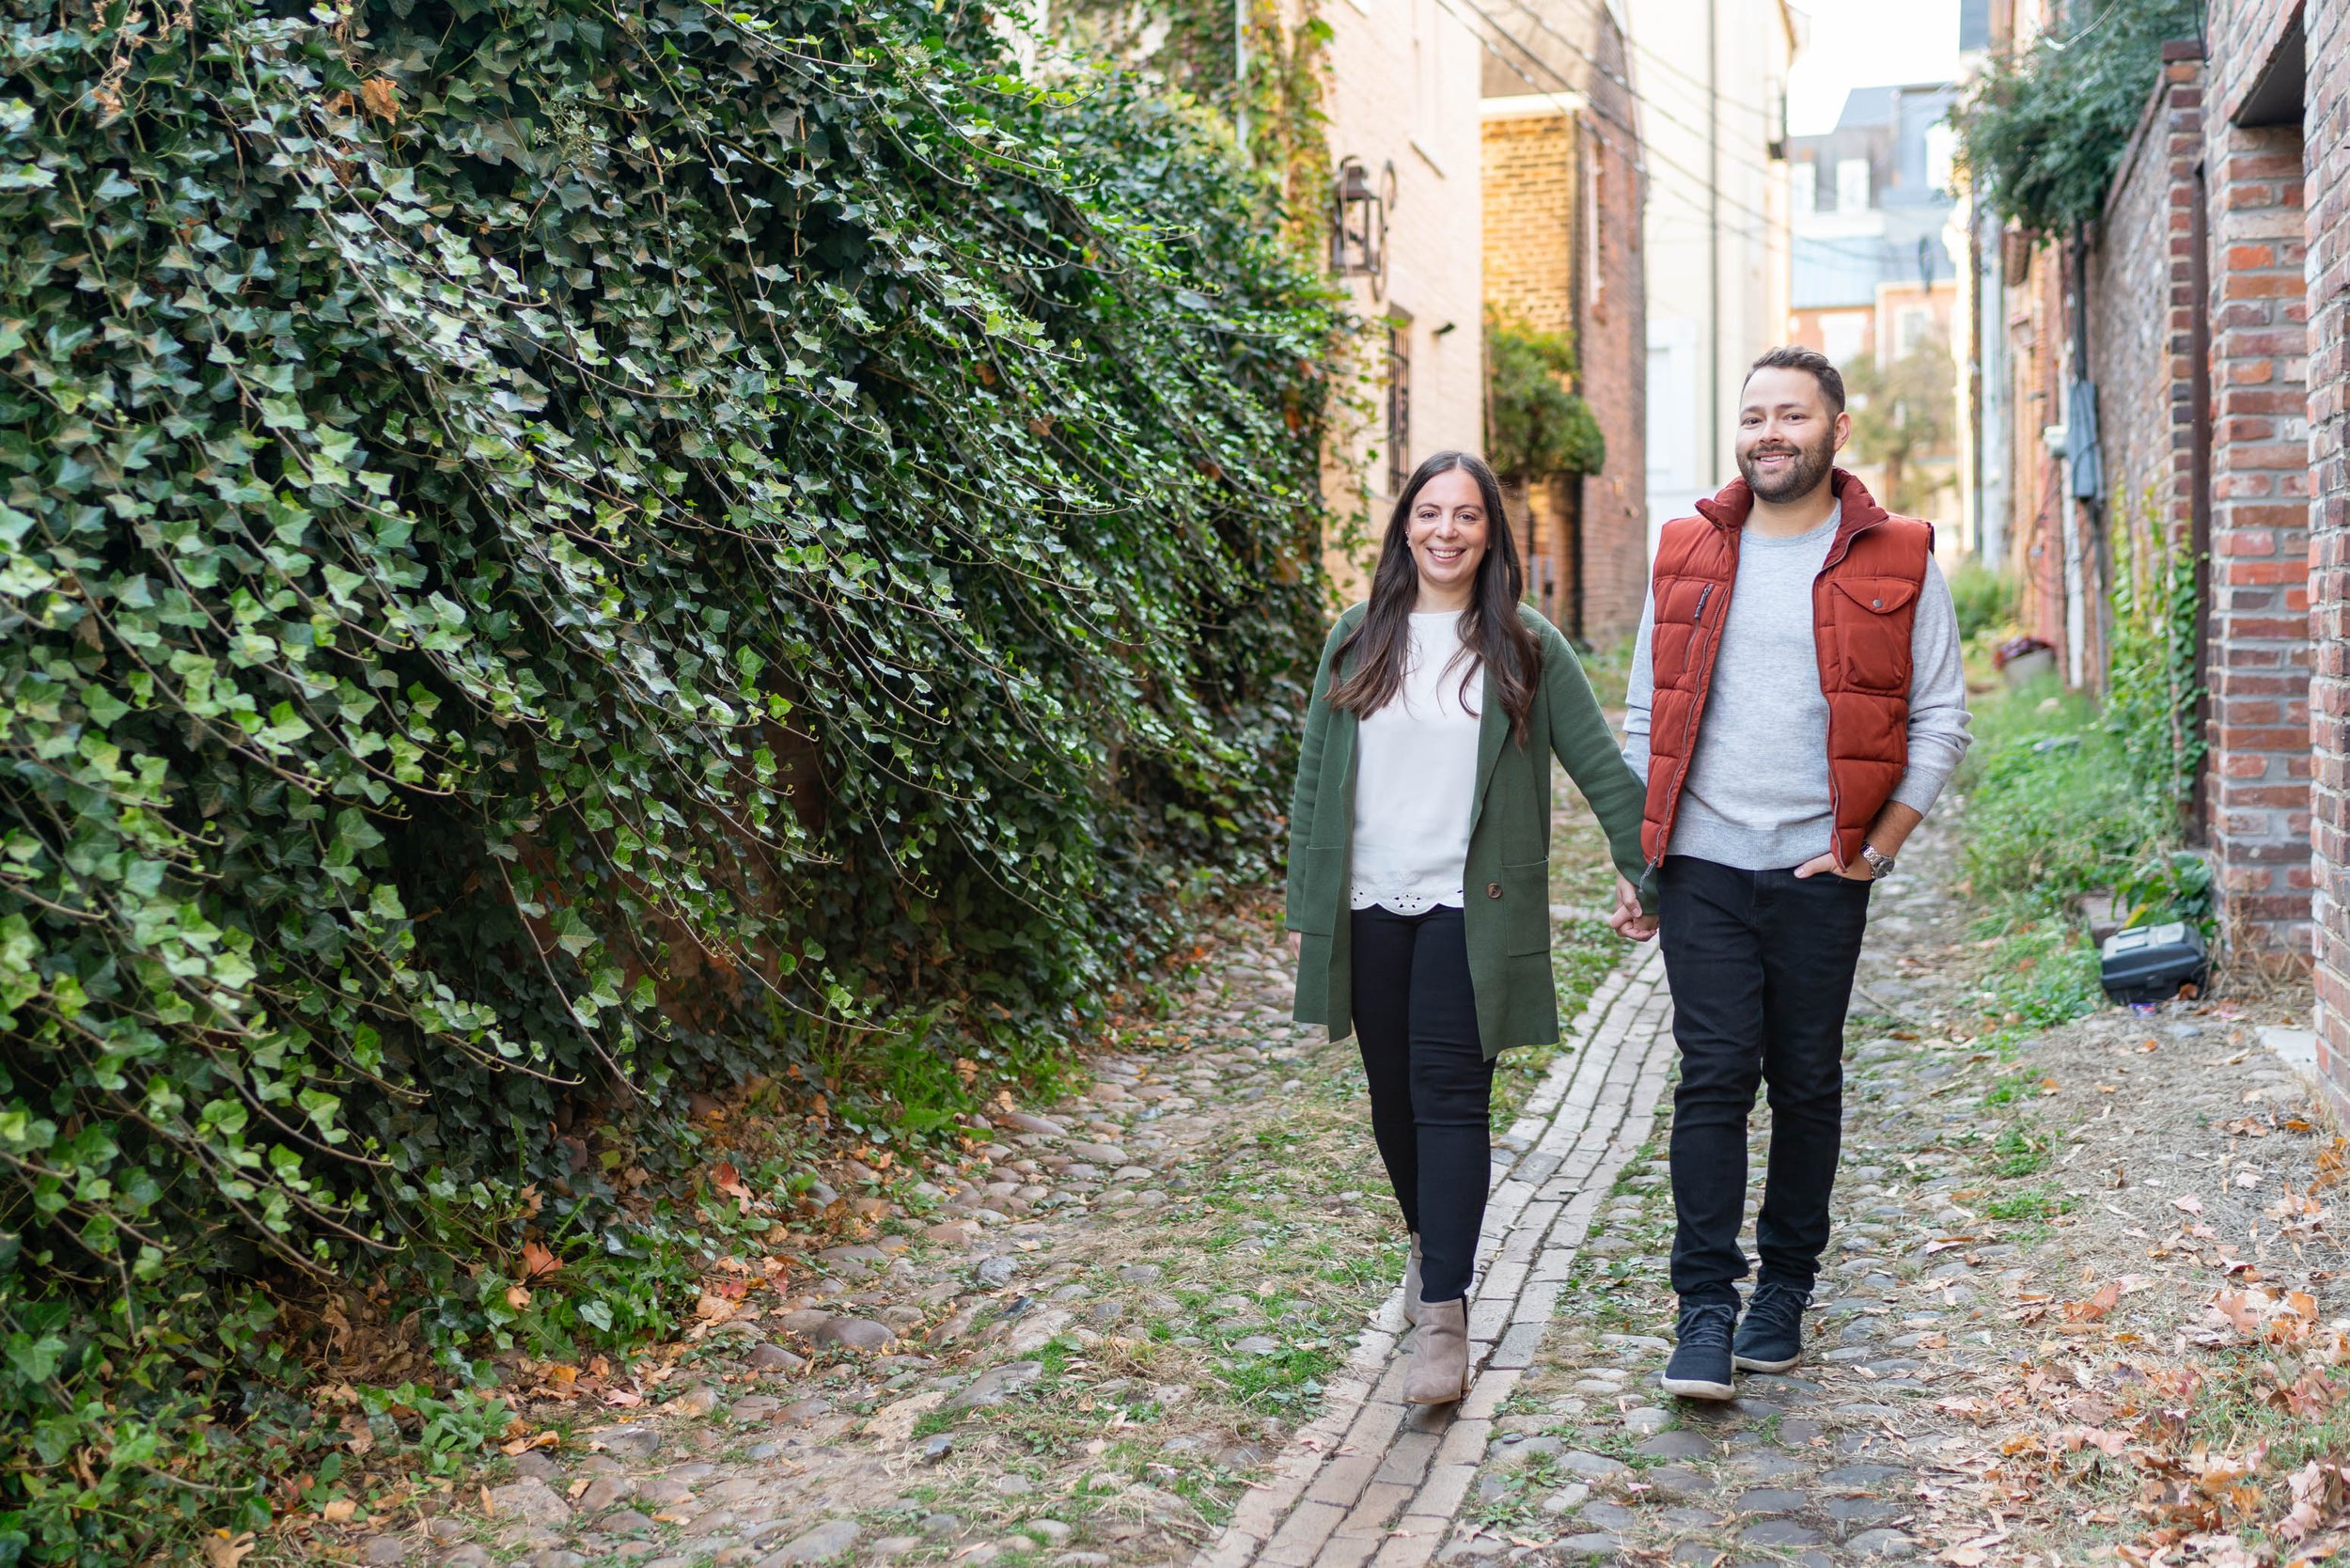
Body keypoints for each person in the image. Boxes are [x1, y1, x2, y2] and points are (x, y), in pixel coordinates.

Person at [1606, 346, 1972, 1400]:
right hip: (1706, 863)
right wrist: (1639, 857)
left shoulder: (1899, 556)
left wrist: (1877, 844)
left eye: (1791, 416)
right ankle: (1705, 1308)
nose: (1769, 432)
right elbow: (1646, 719)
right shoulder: (1685, 549)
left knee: (1805, 1080)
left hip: (1823, 867)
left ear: (1835, 430)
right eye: (1753, 414)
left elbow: (1940, 718)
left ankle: (1786, 1292)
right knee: (1713, 1073)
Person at [1287, 450, 1652, 1405]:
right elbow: (1313, 783)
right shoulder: (1357, 637)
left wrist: (1641, 868)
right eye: (1428, 512)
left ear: (1491, 533)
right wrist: (1304, 912)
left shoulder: (1524, 644)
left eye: (1466, 517)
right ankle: (1427, 1243)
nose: (1445, 531)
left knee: (1450, 1099)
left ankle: (1442, 1312)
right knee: (1393, 1100)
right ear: (1404, 523)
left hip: (1469, 910)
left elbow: (1600, 765)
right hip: (1368, 904)